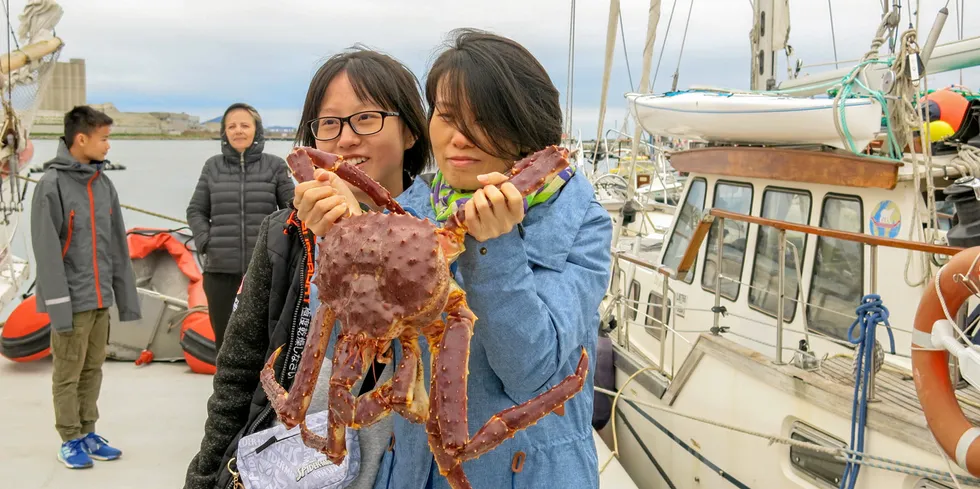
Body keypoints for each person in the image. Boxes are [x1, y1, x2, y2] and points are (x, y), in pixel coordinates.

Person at [295, 29, 612, 489]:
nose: (458, 136)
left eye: (482, 118)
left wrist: (491, 244)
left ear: (528, 125)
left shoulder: (580, 220)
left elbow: (532, 373)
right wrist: (336, 241)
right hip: (411, 472)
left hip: (530, 474)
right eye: (445, 115)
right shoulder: (412, 209)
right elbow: (343, 345)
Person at [183, 47, 431, 489]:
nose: (346, 138)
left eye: (366, 117)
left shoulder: (443, 234)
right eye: (329, 123)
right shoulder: (286, 234)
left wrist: (355, 237)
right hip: (297, 466)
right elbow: (239, 371)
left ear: (411, 131)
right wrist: (204, 476)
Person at [30, 105, 141, 469]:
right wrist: (59, 306)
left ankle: (88, 430)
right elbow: (47, 252)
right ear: (81, 139)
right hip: (71, 300)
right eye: (104, 138)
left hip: (98, 299)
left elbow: (117, 248)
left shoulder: (103, 184)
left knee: (93, 369)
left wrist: (123, 298)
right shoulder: (51, 185)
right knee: (67, 373)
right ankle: (69, 437)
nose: (109, 146)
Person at [185, 102, 295, 352]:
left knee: (265, 343)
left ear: (257, 130)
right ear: (224, 132)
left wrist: (282, 249)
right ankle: (225, 391)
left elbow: (293, 210)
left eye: (245, 125)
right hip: (221, 271)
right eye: (231, 126)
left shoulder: (275, 165)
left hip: (265, 271)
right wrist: (206, 241)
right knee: (224, 345)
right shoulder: (213, 166)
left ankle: (262, 392)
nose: (238, 131)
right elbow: (196, 210)